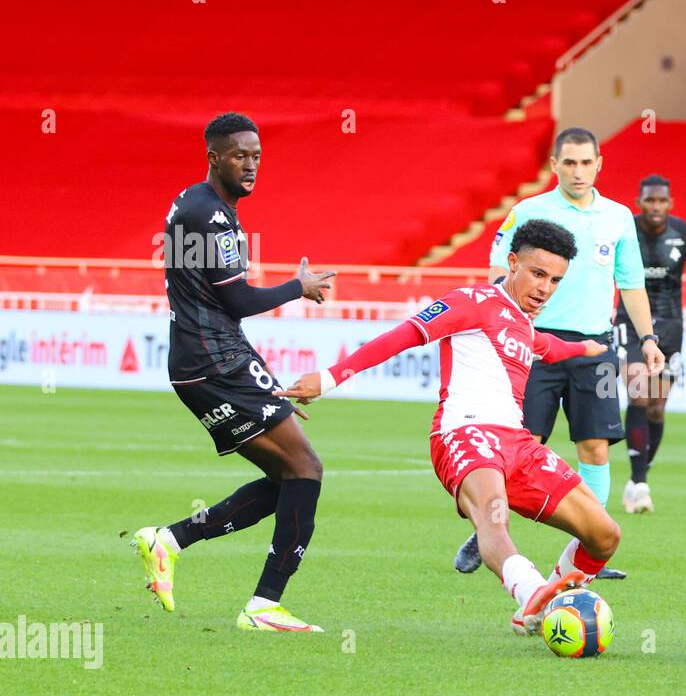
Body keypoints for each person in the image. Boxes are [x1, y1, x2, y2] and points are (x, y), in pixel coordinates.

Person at [276, 219, 622, 634]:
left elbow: (551, 348)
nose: (545, 288)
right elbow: (402, 336)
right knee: (493, 519)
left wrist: (587, 346)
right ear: (513, 263)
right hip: (465, 434)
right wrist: (330, 377)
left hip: (518, 445)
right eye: (537, 273)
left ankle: (542, 605)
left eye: (555, 280)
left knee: (604, 535)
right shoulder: (469, 301)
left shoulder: (525, 326)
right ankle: (530, 590)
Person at [129, 112, 336, 632]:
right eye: (240, 155)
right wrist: (298, 286)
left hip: (206, 362)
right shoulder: (213, 217)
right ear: (214, 157)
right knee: (306, 470)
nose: (250, 165)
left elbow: (213, 303)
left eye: (257, 156)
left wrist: (263, 376)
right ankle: (264, 605)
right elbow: (237, 300)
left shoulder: (192, 202)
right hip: (213, 362)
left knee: (289, 475)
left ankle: (169, 540)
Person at [452, 127, 665, 580]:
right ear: (554, 166)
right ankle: (488, 529)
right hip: (534, 344)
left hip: (596, 346)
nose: (578, 171)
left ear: (599, 163)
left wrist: (647, 339)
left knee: (595, 447)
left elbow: (630, 283)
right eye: (569, 163)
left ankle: (588, 546)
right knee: (519, 444)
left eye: (586, 162)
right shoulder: (529, 212)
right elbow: (497, 270)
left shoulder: (618, 217)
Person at [617, 174, 686, 514]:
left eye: (661, 201)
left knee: (656, 407)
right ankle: (640, 484)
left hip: (670, 326)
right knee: (638, 389)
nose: (655, 207)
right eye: (649, 201)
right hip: (630, 321)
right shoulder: (623, 230)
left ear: (670, 203)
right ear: (639, 202)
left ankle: (638, 478)